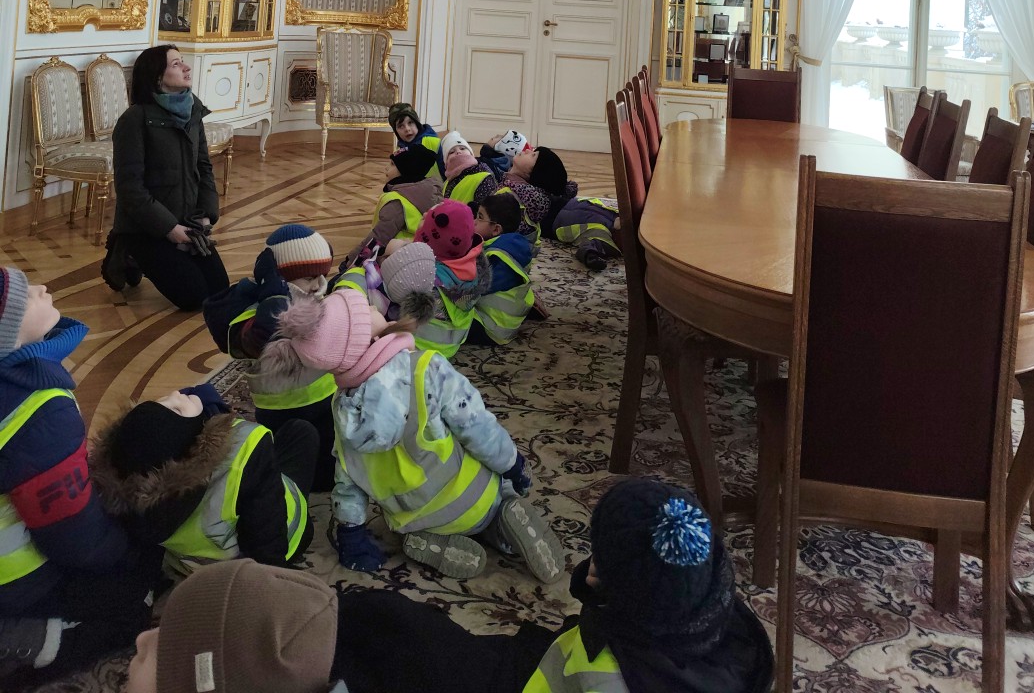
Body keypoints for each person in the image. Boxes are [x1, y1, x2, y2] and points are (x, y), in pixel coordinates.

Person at [124, 480, 774, 693]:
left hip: (511, 683)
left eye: (598, 560)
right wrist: (599, 588)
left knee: (383, 641)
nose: (591, 566)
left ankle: (214, 661)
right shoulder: (705, 614)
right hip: (521, 663)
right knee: (389, 622)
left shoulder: (619, 683)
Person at [263, 285, 563, 584]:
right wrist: (513, 464)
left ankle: (428, 538)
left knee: (411, 524)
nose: (374, 308)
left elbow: (347, 477)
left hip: (416, 517)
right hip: (473, 493)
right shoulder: (425, 368)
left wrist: (350, 534)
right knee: (498, 496)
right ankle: (501, 525)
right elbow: (477, 426)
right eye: (366, 309)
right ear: (369, 338)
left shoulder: (344, 410)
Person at [0, 268, 155, 689]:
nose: (41, 288)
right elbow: (73, 536)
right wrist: (124, 550)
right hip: (18, 581)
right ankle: (26, 641)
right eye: (23, 297)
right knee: (133, 600)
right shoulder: (36, 412)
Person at [89, 385, 315, 580]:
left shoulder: (124, 492)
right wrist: (275, 581)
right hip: (290, 538)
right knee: (301, 432)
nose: (176, 393)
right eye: (176, 409)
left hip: (204, 570)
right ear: (189, 444)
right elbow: (267, 537)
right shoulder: (243, 458)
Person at [202, 225, 339, 491]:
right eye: (309, 278)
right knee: (294, 461)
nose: (318, 286)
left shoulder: (316, 300)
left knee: (327, 468)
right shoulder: (257, 310)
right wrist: (273, 293)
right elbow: (267, 332)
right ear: (282, 278)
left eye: (322, 276)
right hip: (280, 411)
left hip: (324, 402)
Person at [104, 45, 229, 312]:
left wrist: (206, 217)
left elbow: (204, 168)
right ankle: (125, 249)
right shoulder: (134, 120)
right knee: (193, 297)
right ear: (157, 76)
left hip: (187, 222)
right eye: (176, 64)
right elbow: (130, 189)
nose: (186, 67)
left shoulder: (193, 110)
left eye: (183, 62)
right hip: (146, 228)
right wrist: (170, 229)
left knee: (219, 289)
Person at [409, 199, 491, 358]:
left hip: (417, 346)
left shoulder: (422, 271)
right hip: (450, 346)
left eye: (427, 218)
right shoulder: (474, 265)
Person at [466, 191, 536, 346]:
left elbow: (473, 288)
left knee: (440, 316)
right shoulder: (506, 246)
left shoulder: (500, 256)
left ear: (496, 229)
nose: (474, 222)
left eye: (480, 217)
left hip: (489, 326)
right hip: (492, 321)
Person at [498, 146, 577, 243]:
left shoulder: (523, 197)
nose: (527, 150)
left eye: (533, 155)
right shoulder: (510, 185)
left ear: (535, 172)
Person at [552, 194, 622, 272]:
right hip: (567, 202)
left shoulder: (604, 236)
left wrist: (590, 257)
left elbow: (588, 247)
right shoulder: (615, 214)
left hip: (554, 220)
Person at [441, 132, 499, 208]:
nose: (458, 152)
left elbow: (486, 211)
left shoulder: (484, 178)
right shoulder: (447, 182)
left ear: (471, 154)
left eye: (463, 148)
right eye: (451, 152)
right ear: (446, 162)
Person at [387, 102, 440, 177]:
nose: (407, 129)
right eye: (401, 126)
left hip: (436, 184)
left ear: (417, 123)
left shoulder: (434, 143)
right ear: (396, 131)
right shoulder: (399, 150)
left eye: (410, 123)